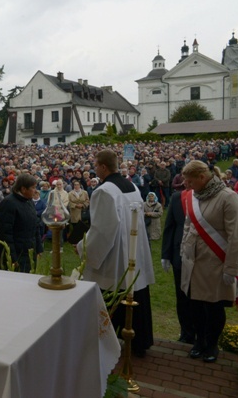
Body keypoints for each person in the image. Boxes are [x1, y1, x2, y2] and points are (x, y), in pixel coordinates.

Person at [76, 149, 155, 357]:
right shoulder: (132, 186)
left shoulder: (104, 191)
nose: (94, 169)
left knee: (111, 292)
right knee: (133, 288)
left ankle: (104, 343)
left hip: (115, 254)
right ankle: (139, 341)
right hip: (132, 247)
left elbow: (102, 230)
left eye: (95, 165)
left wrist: (83, 248)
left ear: (103, 167)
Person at [180, 161, 238, 363]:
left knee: (213, 308)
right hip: (194, 263)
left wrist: (231, 268)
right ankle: (199, 342)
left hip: (216, 262)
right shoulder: (194, 196)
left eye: (190, 180)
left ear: (202, 177)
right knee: (195, 306)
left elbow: (237, 236)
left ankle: (212, 344)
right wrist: (184, 250)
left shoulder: (228, 198)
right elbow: (188, 225)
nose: (186, 184)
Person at [161, 190, 196, 344]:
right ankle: (186, 333)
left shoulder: (210, 197)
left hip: (202, 255)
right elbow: (170, 226)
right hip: (179, 254)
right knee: (182, 296)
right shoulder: (177, 197)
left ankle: (202, 334)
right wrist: (166, 254)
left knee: (200, 298)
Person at [0, 174, 43, 272]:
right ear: (23, 189)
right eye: (33, 188)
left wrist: (38, 248)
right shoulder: (9, 203)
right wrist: (13, 257)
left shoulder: (28, 201)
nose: (35, 190)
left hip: (29, 250)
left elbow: (35, 225)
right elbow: (5, 233)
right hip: (17, 253)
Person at [67, 180, 90, 245]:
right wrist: (75, 205)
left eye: (77, 185)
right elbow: (69, 202)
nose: (76, 186)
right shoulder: (70, 193)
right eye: (75, 185)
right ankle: (75, 241)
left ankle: (83, 240)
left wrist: (83, 205)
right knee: (75, 226)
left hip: (82, 211)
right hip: (74, 211)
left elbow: (87, 201)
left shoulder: (85, 192)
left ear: (80, 185)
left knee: (82, 226)